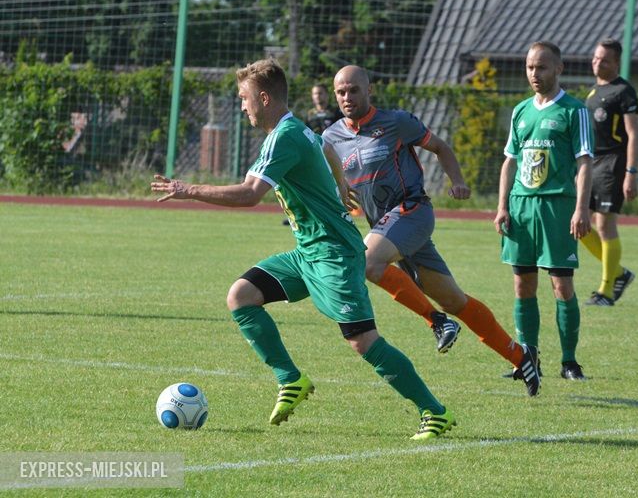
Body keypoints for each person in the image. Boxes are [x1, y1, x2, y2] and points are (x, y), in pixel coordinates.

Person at [150, 58, 455, 440]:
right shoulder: (294, 130)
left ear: (264, 98)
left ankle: (434, 412)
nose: (242, 106)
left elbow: (250, 194)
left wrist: (189, 190)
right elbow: (325, 148)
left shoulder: (285, 136)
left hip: (335, 253)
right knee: (241, 296)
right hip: (308, 251)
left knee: (363, 341)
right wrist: (340, 184)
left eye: (244, 98)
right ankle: (290, 379)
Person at [321, 65, 540, 396]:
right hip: (385, 227)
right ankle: (521, 357)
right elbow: (329, 179)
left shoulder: (396, 122)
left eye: (354, 90)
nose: (347, 97)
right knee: (454, 300)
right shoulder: (330, 138)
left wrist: (458, 180)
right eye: (341, 92)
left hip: (413, 211)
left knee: (367, 262)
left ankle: (437, 322)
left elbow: (440, 147)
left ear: (369, 90)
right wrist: (337, 190)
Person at [494, 41, 594, 381]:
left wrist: (581, 208)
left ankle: (569, 362)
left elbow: (584, 162)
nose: (534, 74)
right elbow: (510, 161)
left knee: (561, 286)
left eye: (541, 67)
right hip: (521, 207)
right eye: (529, 67)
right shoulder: (521, 111)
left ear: (559, 69)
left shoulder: (574, 111)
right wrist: (502, 206)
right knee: (523, 285)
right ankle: (528, 360)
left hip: (556, 207)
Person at [580, 38, 638, 306]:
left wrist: (631, 172)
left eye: (604, 60)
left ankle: (605, 292)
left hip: (613, 163)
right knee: (578, 223)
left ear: (616, 62)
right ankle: (619, 273)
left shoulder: (624, 92)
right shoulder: (593, 92)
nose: (597, 63)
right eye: (595, 58)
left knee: (605, 225)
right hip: (590, 163)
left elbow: (634, 134)